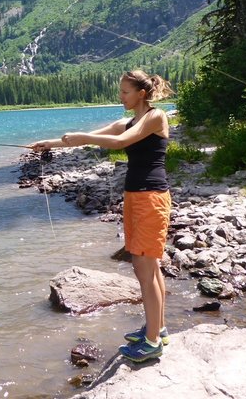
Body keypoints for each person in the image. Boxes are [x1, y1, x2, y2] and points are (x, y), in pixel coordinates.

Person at [29, 70, 174, 363]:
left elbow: (122, 142)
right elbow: (98, 136)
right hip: (135, 197)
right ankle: (157, 328)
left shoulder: (155, 117)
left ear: (141, 94)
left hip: (151, 198)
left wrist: (83, 137)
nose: (120, 97)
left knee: (146, 271)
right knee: (148, 266)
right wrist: (49, 143)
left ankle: (152, 343)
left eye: (125, 92)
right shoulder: (128, 120)